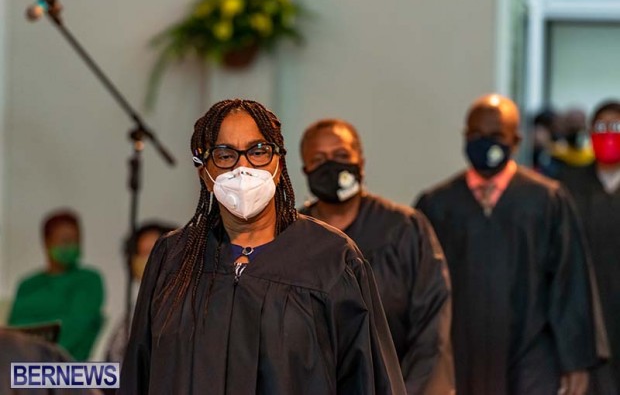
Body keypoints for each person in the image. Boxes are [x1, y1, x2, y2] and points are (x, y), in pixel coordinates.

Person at [119, 99, 406, 394]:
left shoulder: (331, 260)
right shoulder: (173, 258)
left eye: (257, 152)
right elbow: (138, 375)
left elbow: (368, 380)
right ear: (204, 172)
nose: (243, 168)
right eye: (225, 155)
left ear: (278, 165)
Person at [415, 94, 603, 395]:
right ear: (465, 136)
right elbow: (420, 288)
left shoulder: (547, 200)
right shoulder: (437, 205)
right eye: (476, 134)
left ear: (515, 141)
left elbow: (569, 281)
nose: (484, 142)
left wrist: (575, 361)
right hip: (460, 354)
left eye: (496, 135)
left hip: (532, 353)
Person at [298, 119, 453, 395]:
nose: (331, 166)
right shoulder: (292, 237)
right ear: (305, 170)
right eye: (319, 159)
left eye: (341, 155)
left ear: (361, 161)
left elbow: (431, 327)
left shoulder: (404, 229)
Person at [558, 100, 620, 394]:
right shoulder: (566, 187)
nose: (609, 134)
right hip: (584, 315)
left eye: (616, 127)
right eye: (601, 127)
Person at [8, 210, 104, 361]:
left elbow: (75, 329)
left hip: (68, 367)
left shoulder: (89, 280)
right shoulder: (27, 285)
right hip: (23, 366)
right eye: (64, 240)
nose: (71, 245)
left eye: (76, 240)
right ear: (47, 242)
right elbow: (14, 330)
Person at [105, 221, 176, 365]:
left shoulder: (182, 306)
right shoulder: (139, 307)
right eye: (141, 254)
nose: (147, 260)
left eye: (152, 252)